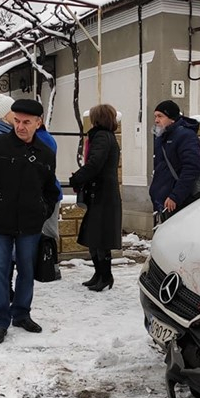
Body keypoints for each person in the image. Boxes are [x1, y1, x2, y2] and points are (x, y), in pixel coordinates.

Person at [0, 98, 58, 343]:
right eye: (17, 121)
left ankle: (22, 313)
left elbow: (50, 189)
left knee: (26, 271)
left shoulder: (45, 153)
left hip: (30, 225)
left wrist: (42, 209)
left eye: (27, 122)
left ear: (38, 123)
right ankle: (0, 320)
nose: (20, 126)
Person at [69, 104, 122, 292]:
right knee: (94, 237)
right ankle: (99, 274)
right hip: (101, 193)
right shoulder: (104, 136)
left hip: (103, 194)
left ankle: (105, 276)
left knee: (100, 238)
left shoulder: (101, 136)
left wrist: (77, 178)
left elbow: (94, 165)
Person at [149, 100, 200, 219]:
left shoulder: (186, 136)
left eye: (160, 116)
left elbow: (192, 168)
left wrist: (175, 196)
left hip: (177, 202)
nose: (156, 120)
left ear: (172, 118)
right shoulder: (161, 136)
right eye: (155, 116)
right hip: (162, 201)